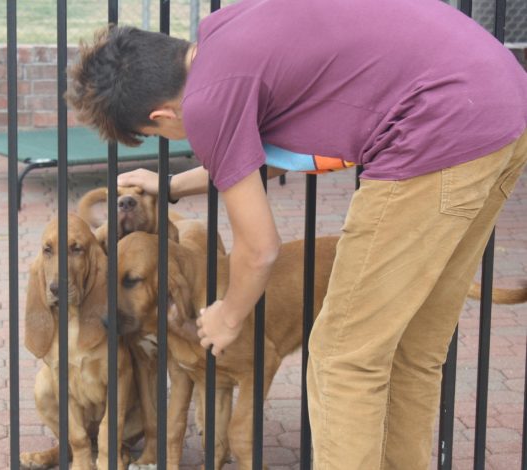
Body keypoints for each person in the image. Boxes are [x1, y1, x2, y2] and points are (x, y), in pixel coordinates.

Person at [66, 0, 527, 467]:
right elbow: (253, 153)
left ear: (162, 117)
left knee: (341, 359)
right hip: (500, 101)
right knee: (410, 348)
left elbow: (260, 249)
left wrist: (228, 314)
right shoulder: (225, 35)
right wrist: (170, 186)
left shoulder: (206, 101)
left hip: (440, 128)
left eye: (155, 135)